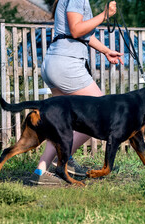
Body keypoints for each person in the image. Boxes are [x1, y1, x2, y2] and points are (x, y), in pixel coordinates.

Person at [29, 0, 124, 185]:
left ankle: (41, 171)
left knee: (62, 124)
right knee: (100, 115)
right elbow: (75, 30)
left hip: (55, 63)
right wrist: (105, 15)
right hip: (66, 65)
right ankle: (62, 160)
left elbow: (81, 33)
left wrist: (105, 51)